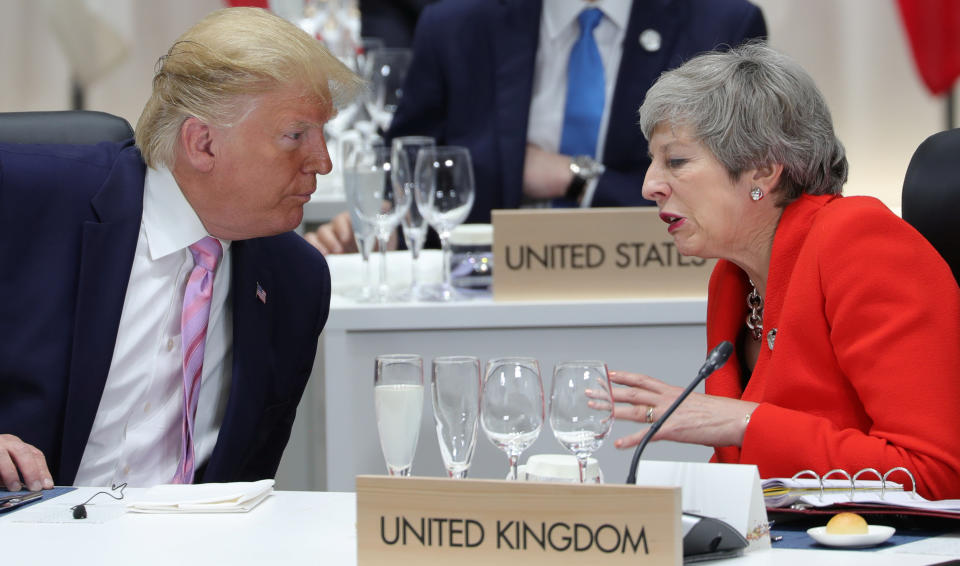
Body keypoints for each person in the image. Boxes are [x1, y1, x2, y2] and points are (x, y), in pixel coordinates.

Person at [0, 7, 362, 491]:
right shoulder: (30, 196)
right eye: (295, 135)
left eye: (323, 134)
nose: (322, 162)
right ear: (203, 143)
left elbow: (245, 485)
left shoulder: (296, 280)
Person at [608, 42, 960, 500]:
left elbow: (935, 474)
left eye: (676, 161)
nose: (649, 185)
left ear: (762, 171)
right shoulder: (734, 279)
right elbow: (758, 476)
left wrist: (739, 421)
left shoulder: (859, 241)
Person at [307, 0, 767, 254]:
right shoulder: (456, 25)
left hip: (653, 279)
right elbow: (404, 166)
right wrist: (381, 219)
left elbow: (733, 194)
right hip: (482, 294)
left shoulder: (720, 25)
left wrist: (575, 179)